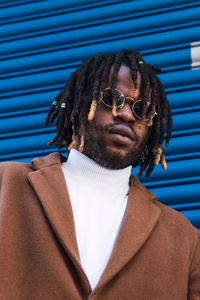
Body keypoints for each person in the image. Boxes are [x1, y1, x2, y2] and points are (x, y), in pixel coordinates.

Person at [0, 50, 199, 299]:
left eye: (142, 109)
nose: (127, 114)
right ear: (79, 104)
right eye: (112, 98)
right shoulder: (6, 185)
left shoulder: (184, 238)